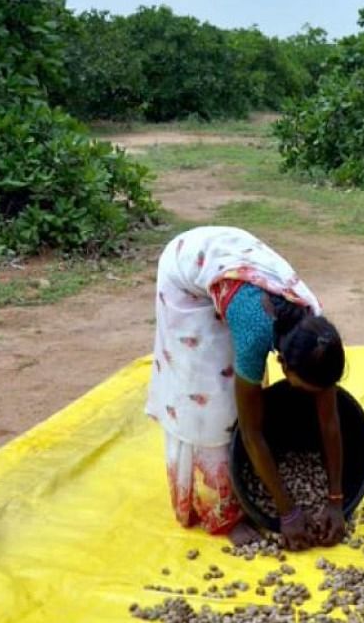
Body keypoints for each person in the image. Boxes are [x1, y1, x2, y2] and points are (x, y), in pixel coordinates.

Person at [146, 225, 348, 548]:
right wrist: (289, 512)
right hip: (186, 270)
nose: (305, 396)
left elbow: (329, 418)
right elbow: (251, 432)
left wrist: (336, 500)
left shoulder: (317, 332)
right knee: (212, 404)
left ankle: (250, 479)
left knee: (242, 389)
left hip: (234, 267)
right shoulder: (255, 333)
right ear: (283, 364)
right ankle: (220, 512)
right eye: (303, 388)